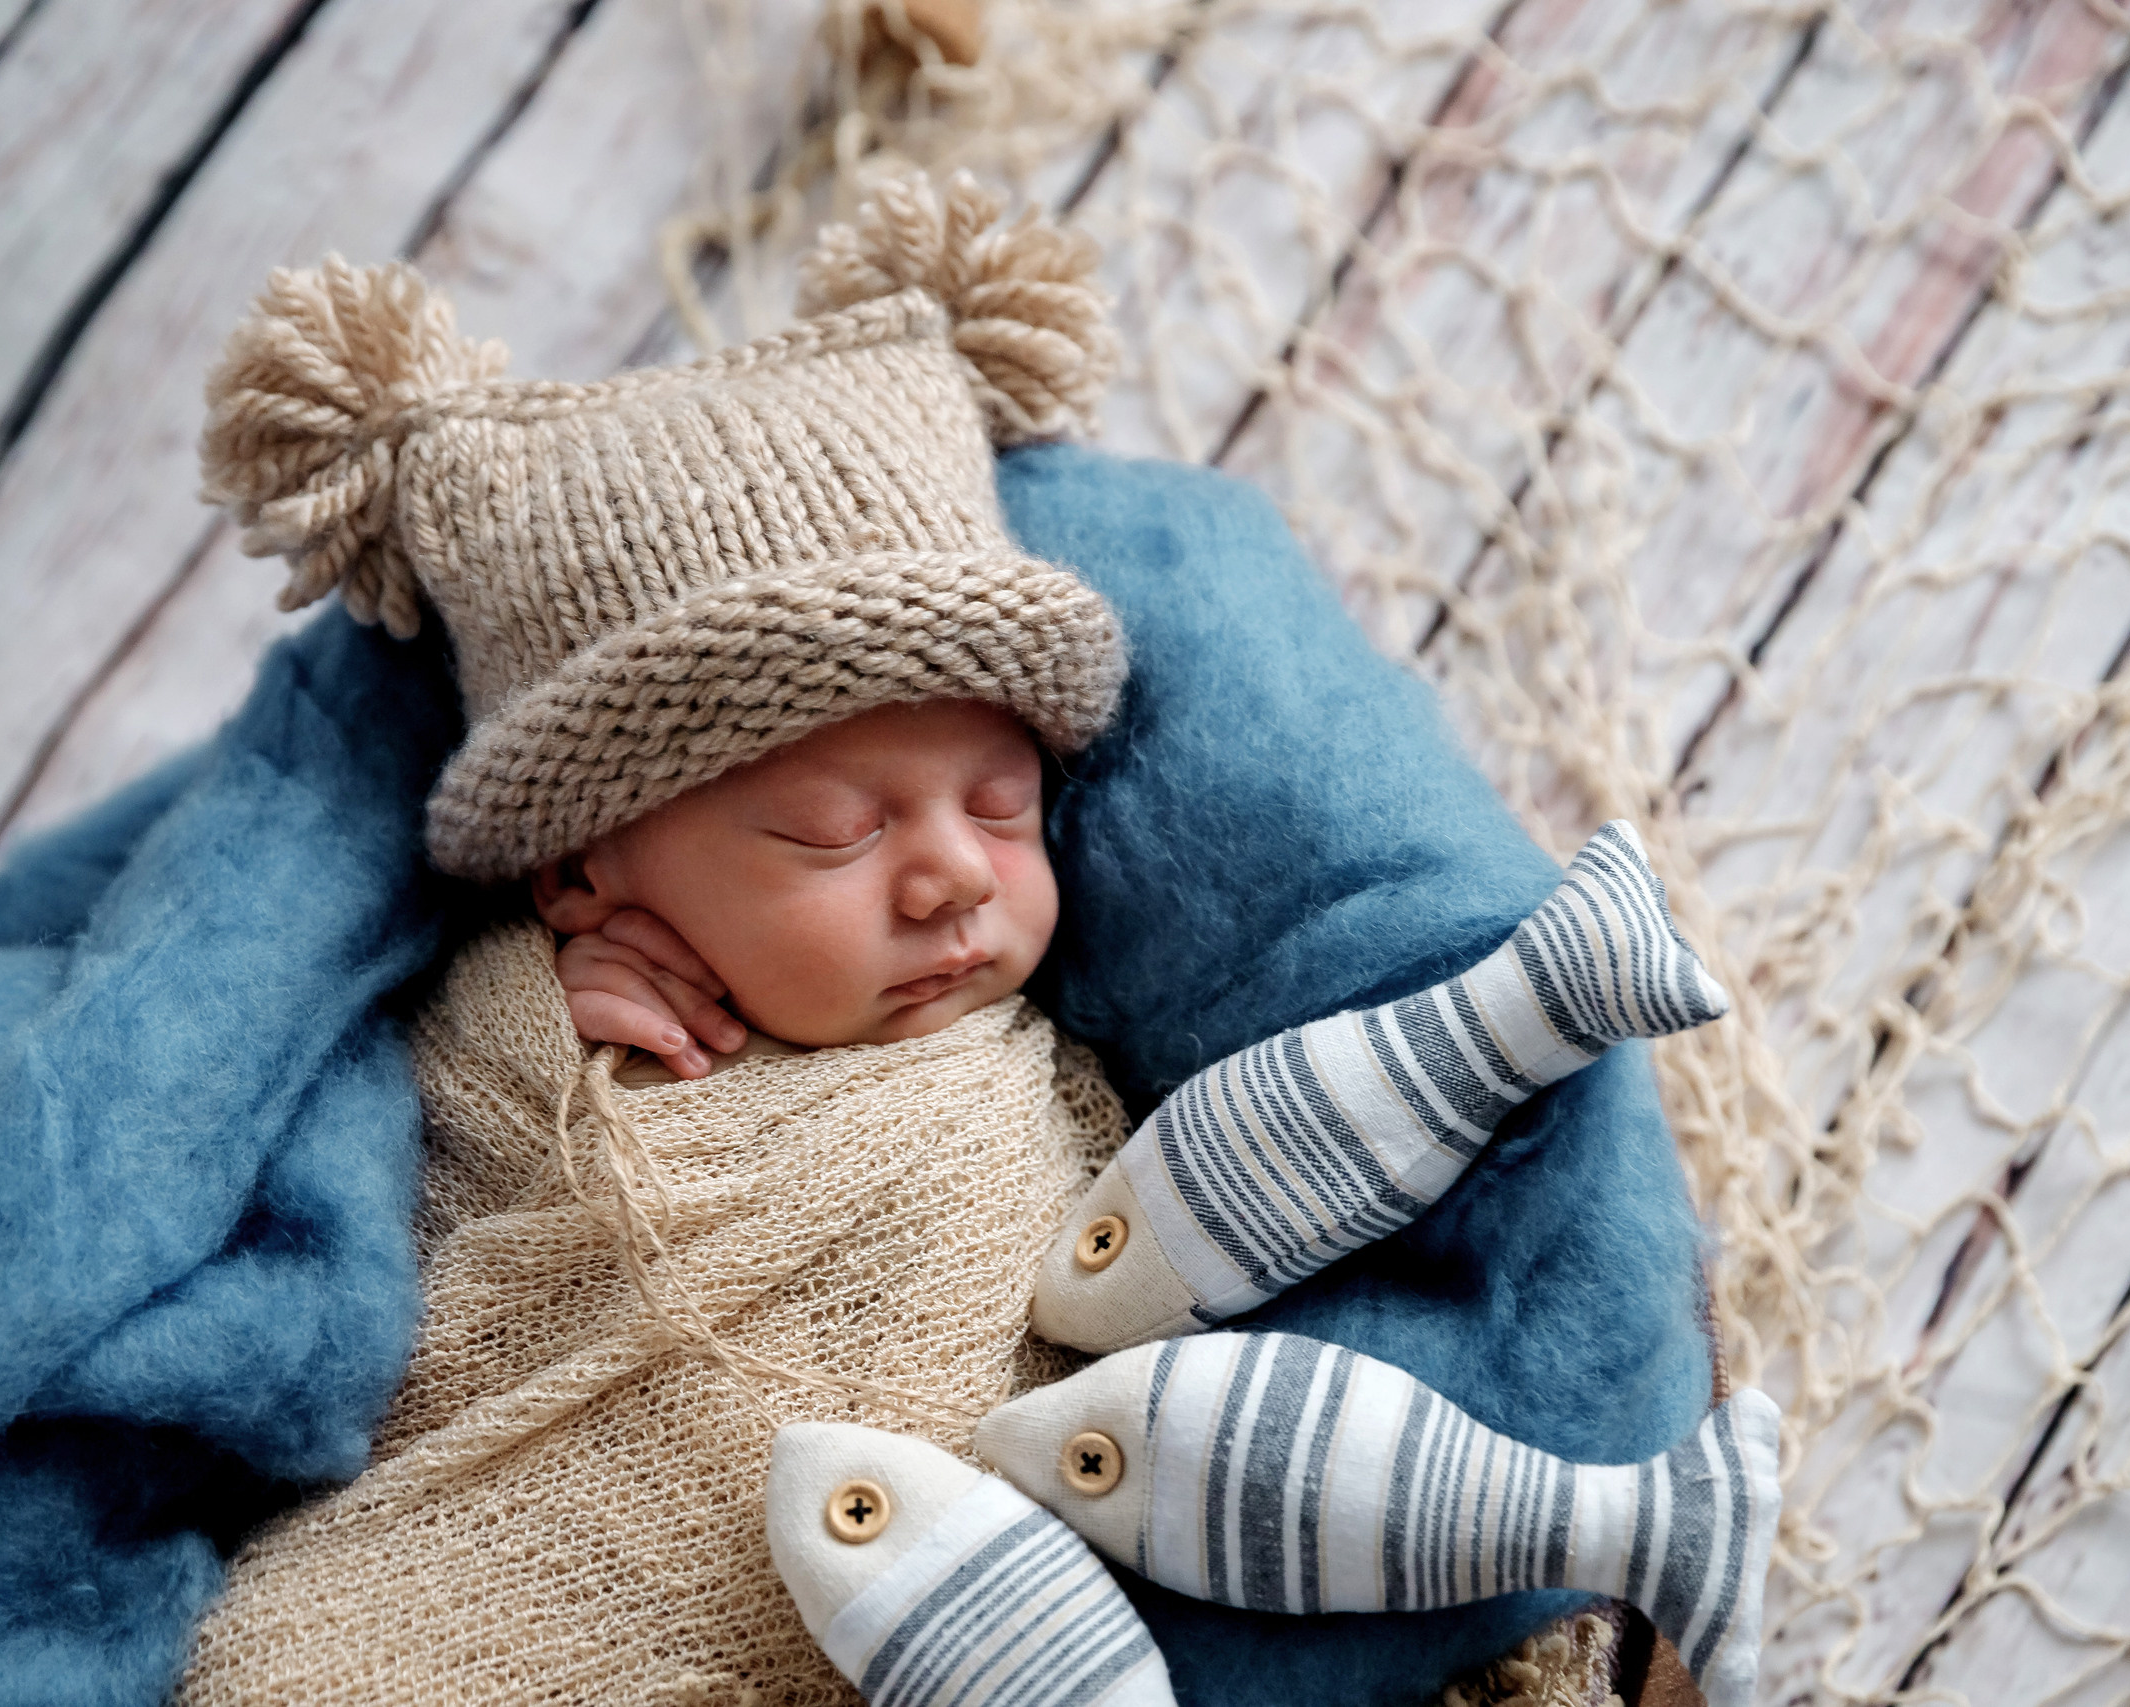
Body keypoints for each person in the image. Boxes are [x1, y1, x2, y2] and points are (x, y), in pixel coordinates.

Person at [174, 169, 1772, 1707]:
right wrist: (534, 1017)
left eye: (1000, 807)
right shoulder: (557, 1017)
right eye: (835, 833)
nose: (949, 877)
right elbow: (393, 1235)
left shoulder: (1077, 1080)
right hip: (469, 1582)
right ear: (589, 876)